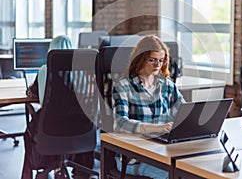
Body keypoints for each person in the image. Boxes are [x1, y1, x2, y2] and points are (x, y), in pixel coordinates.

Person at [112, 34, 185, 179]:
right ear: (140, 59)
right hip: (133, 158)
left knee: (191, 172)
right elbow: (120, 123)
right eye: (152, 60)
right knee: (174, 175)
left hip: (161, 151)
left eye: (161, 61)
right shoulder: (124, 86)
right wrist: (155, 128)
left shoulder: (167, 85)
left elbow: (184, 112)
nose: (157, 65)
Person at [21, 35, 94, 179]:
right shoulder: (83, 72)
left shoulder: (44, 70)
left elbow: (33, 94)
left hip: (51, 128)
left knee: (29, 132)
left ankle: (32, 173)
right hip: (79, 128)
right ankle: (81, 172)